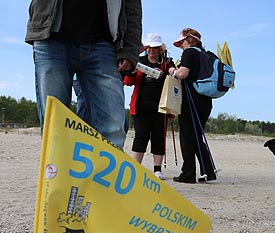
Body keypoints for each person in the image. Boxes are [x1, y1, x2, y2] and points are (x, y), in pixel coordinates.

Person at [25, 0, 142, 150]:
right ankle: (57, 173)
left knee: (113, 127)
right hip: (51, 37)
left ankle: (107, 174)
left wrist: (130, 49)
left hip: (103, 43)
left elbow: (132, 7)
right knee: (54, 126)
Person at [123, 33, 175, 180]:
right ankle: (135, 168)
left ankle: (157, 170)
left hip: (161, 106)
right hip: (140, 105)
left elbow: (175, 83)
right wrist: (131, 73)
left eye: (156, 48)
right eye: (150, 47)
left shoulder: (167, 63)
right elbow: (127, 82)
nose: (152, 51)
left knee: (159, 136)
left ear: (160, 48)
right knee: (141, 136)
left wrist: (164, 74)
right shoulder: (139, 61)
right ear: (146, 47)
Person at [168, 28, 216, 183]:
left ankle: (188, 174)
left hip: (191, 101)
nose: (181, 46)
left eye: (181, 42)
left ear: (188, 39)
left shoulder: (189, 53)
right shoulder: (206, 54)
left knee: (187, 137)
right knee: (196, 136)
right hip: (205, 101)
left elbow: (182, 74)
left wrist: (172, 71)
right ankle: (208, 171)